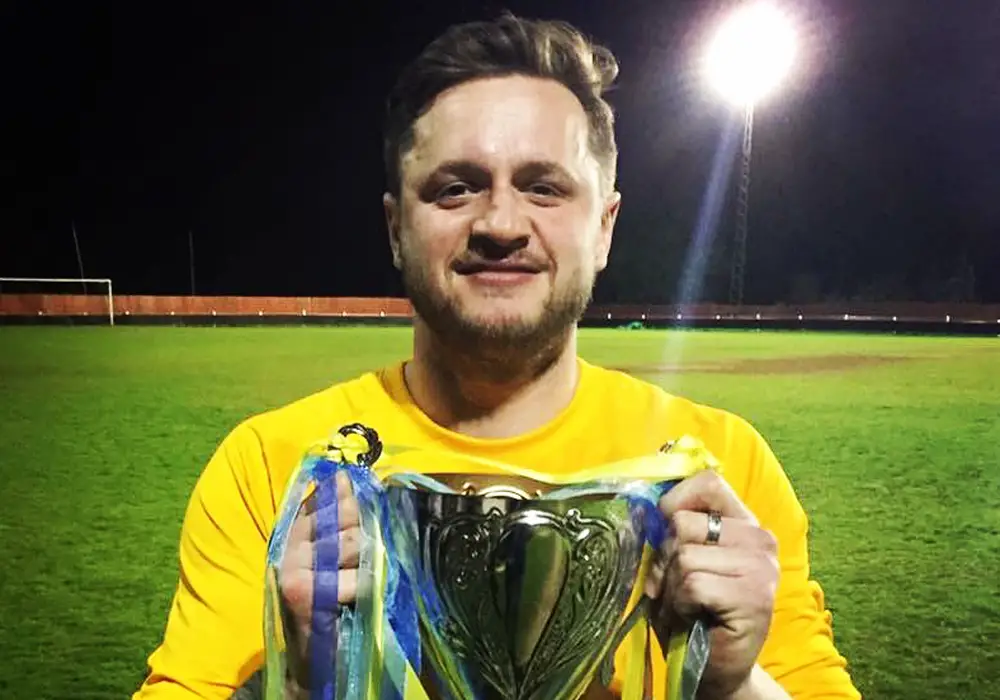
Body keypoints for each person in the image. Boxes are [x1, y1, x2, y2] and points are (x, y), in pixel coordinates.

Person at [133, 13, 860, 700]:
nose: (501, 223)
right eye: (456, 188)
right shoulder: (273, 469)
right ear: (396, 230)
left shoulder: (722, 472)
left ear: (603, 228)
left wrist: (735, 685)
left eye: (544, 187)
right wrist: (296, 682)